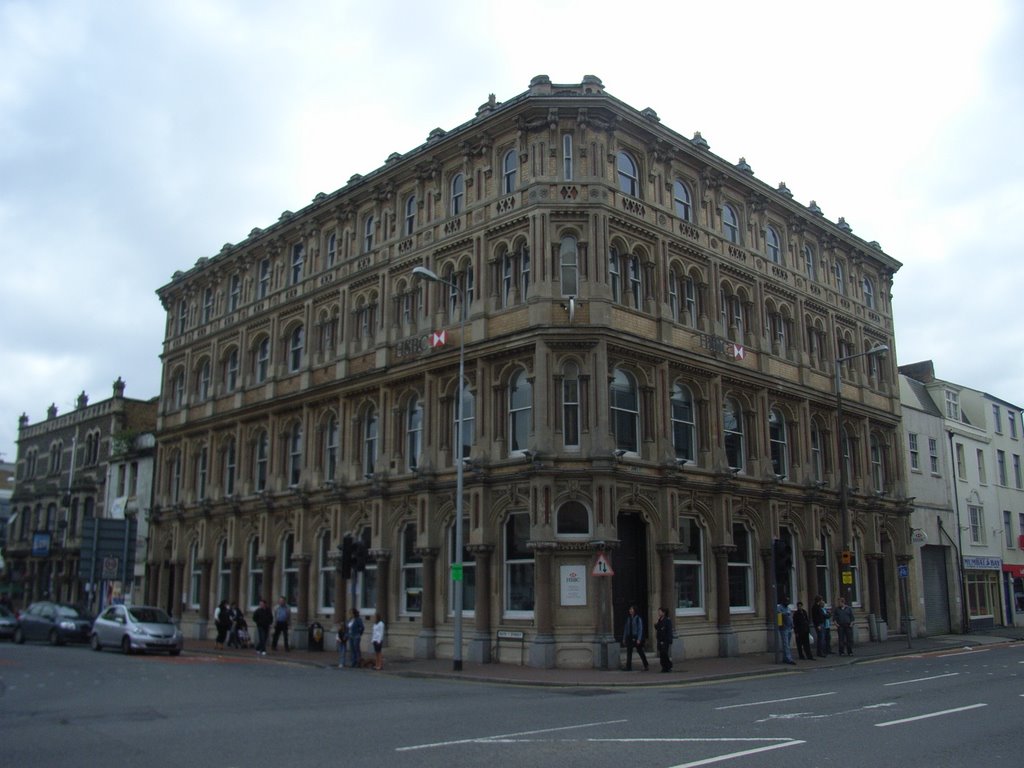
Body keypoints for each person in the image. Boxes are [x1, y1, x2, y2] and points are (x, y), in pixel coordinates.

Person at [621, 605, 649, 671]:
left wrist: (639, 639)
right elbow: (626, 629)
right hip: (629, 637)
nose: (630, 610)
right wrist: (624, 638)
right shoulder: (628, 618)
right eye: (630, 609)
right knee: (629, 652)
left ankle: (646, 665)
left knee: (640, 651)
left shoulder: (638, 618)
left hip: (635, 637)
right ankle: (628, 666)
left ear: (634, 610)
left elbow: (640, 629)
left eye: (631, 609)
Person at [654, 607, 674, 673]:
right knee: (662, 655)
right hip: (660, 640)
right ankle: (664, 667)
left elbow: (669, 631)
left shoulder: (667, 620)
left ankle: (668, 666)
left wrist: (669, 640)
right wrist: (656, 623)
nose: (659, 613)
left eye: (660, 611)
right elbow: (657, 628)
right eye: (658, 611)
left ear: (663, 612)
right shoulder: (659, 620)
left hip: (665, 640)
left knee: (664, 654)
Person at [776, 598, 795, 665]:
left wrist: (792, 624)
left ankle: (785, 658)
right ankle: (789, 659)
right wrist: (785, 614)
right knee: (786, 644)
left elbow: (790, 617)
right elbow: (779, 616)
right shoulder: (779, 608)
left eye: (788, 601)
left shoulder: (788, 608)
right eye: (786, 601)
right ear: (783, 601)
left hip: (789, 627)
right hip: (784, 628)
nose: (788, 602)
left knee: (788, 644)